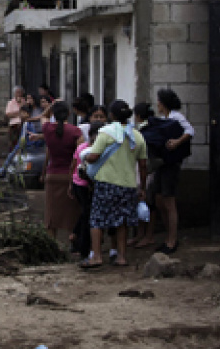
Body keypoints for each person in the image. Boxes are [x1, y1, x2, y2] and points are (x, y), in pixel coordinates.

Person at [80, 100, 148, 269]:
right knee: (122, 222)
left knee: (97, 219)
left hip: (107, 183)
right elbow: (143, 165)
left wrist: (85, 156)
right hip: (128, 185)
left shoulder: (106, 133)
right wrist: (142, 187)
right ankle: (121, 257)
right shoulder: (137, 136)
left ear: (111, 115)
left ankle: (96, 256)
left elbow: (94, 156)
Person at [154, 88, 195, 254]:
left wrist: (177, 142)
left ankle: (172, 240)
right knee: (159, 199)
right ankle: (168, 237)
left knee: (169, 201)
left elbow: (190, 131)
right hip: (163, 163)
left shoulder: (176, 117)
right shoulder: (166, 118)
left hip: (171, 164)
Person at [41, 102, 84, 239]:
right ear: (69, 114)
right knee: (71, 214)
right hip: (69, 177)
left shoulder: (47, 129)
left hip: (52, 176)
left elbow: (43, 116)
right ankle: (72, 244)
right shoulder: (76, 131)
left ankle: (52, 244)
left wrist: (52, 105)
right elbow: (79, 156)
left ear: (53, 114)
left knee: (51, 215)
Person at [69, 121, 104, 258]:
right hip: (85, 185)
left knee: (86, 214)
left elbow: (73, 167)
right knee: (88, 216)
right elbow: (74, 166)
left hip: (79, 184)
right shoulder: (93, 150)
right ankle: (84, 248)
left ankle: (77, 237)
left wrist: (71, 184)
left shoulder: (82, 147)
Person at [127, 102, 160, 249]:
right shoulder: (151, 129)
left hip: (147, 171)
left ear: (138, 116)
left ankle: (148, 235)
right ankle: (141, 234)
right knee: (142, 203)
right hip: (147, 171)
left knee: (148, 203)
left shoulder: (142, 132)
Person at [0, 108, 43, 178]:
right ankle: (3, 171)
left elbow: (25, 137)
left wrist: (20, 147)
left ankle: (3, 172)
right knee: (11, 157)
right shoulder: (25, 124)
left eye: (23, 113)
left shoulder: (28, 124)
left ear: (28, 114)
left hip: (26, 145)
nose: (21, 115)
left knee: (13, 158)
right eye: (21, 113)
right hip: (23, 145)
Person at [5, 86, 26, 151]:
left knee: (22, 142)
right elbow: (8, 114)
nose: (19, 94)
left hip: (23, 124)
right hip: (13, 125)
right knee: (13, 143)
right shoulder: (10, 102)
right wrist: (19, 112)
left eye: (20, 92)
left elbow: (26, 114)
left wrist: (16, 113)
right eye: (17, 92)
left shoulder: (25, 102)